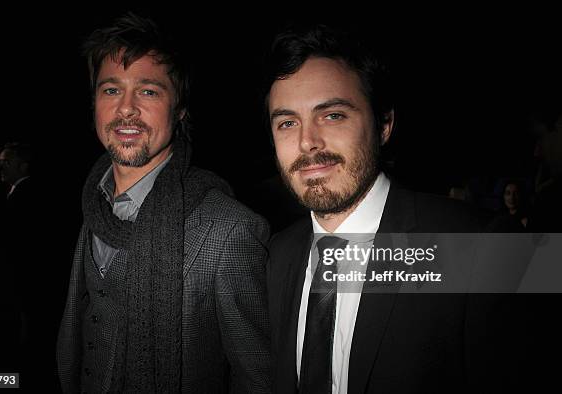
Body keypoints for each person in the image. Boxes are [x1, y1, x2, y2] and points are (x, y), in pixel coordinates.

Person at [263, 24, 535, 394]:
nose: (307, 141)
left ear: (384, 125)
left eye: (333, 115)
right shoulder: (276, 254)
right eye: (288, 122)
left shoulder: (487, 248)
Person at [57, 13, 270, 393]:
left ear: (181, 110)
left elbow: (256, 378)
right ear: (93, 105)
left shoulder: (231, 231)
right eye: (110, 90)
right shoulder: (94, 202)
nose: (126, 108)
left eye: (148, 91)